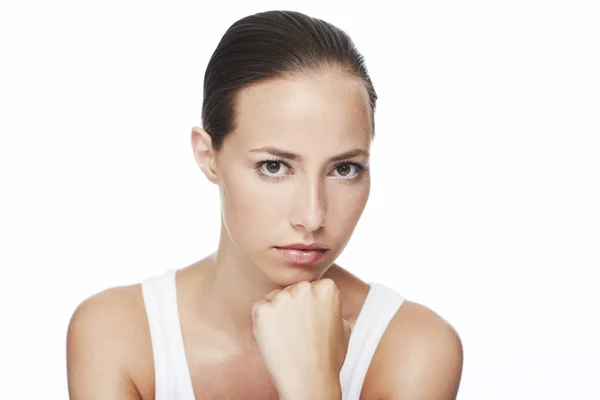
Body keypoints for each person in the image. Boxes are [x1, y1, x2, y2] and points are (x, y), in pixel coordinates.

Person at [66, 10, 463, 399]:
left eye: (343, 169)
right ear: (209, 156)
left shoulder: (415, 349)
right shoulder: (119, 336)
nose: (312, 216)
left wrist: (312, 385)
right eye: (274, 166)